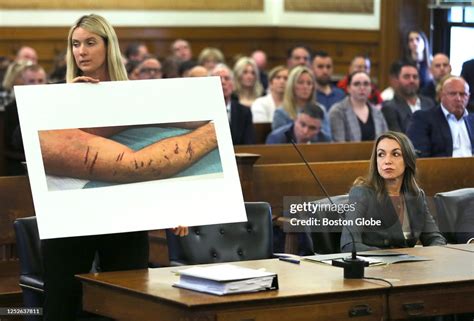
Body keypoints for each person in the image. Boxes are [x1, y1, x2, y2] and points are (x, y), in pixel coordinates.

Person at [40, 14, 189, 321]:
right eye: (76, 44)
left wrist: (172, 205)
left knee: (126, 302)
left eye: (90, 43)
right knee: (63, 304)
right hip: (71, 215)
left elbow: (151, 155)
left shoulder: (136, 97)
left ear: (108, 46)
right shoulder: (56, 96)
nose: (81, 51)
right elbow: (27, 141)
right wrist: (65, 100)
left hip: (124, 214)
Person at [340, 131, 447, 252]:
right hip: (375, 267)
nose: (387, 161)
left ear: (407, 160)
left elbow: (435, 238)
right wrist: (393, 256)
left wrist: (433, 255)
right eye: (381, 154)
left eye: (395, 154)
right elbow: (349, 245)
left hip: (410, 267)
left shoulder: (416, 195)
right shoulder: (361, 193)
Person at [407, 76, 474, 157]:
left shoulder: (472, 120)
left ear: (469, 97)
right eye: (452, 94)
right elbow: (419, 156)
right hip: (441, 168)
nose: (458, 99)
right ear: (441, 95)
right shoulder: (423, 118)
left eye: (463, 94)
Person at [272, 66, 330, 138]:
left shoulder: (320, 109)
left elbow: (328, 139)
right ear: (292, 85)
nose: (305, 87)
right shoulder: (281, 112)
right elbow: (278, 140)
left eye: (309, 83)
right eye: (300, 82)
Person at [329, 71, 388, 142]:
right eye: (357, 84)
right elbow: (339, 145)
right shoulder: (338, 111)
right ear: (348, 88)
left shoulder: (377, 112)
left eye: (366, 84)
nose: (362, 88)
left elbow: (385, 140)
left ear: (371, 88)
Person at [382, 61, 435, 133]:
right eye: (406, 77)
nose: (412, 80)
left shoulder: (429, 103)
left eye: (415, 77)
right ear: (397, 80)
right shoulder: (390, 107)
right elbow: (398, 138)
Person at [210, 63, 255, 145]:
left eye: (227, 78)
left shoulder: (244, 112)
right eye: (218, 79)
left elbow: (249, 145)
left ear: (233, 85)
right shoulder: (202, 112)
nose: (223, 82)